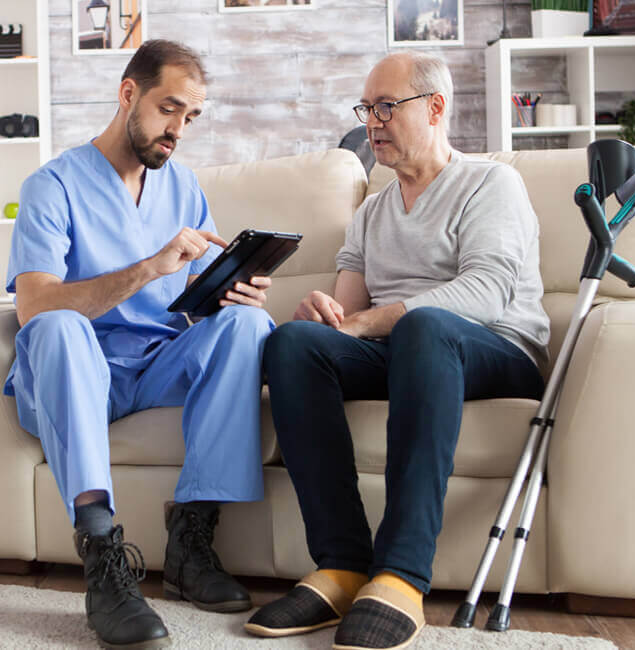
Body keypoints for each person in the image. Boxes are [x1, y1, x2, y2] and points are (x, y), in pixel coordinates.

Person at [246, 51, 550, 649]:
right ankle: (341, 566)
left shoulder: (490, 183)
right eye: (367, 109)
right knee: (293, 344)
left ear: (435, 108)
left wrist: (368, 323)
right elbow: (346, 317)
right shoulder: (373, 212)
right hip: (409, 351)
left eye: (387, 106)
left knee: (426, 325)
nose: (372, 122)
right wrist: (324, 316)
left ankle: (402, 575)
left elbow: (486, 294)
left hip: (496, 349)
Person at [5, 40, 275, 649]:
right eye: (168, 109)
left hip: (155, 366)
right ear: (129, 94)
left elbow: (191, 308)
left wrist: (231, 295)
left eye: (191, 117)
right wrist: (151, 267)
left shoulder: (182, 187)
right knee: (57, 324)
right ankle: (103, 558)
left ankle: (191, 544)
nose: (178, 130)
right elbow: (33, 304)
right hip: (75, 370)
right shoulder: (52, 186)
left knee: (247, 325)